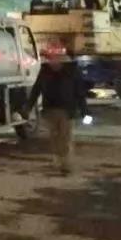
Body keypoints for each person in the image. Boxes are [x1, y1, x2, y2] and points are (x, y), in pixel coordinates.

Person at [23, 41, 89, 175]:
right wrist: (28, 107)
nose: (54, 60)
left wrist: (85, 111)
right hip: (52, 110)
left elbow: (79, 92)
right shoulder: (47, 71)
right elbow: (37, 89)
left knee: (65, 138)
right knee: (55, 138)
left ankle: (65, 164)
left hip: (65, 111)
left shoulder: (70, 71)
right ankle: (59, 161)